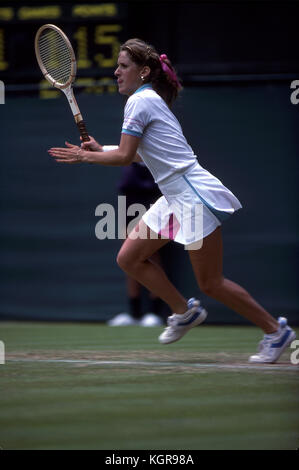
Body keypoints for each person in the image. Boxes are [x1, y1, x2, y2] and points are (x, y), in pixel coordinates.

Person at [49, 38, 296, 363]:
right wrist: (101, 150)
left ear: (144, 71)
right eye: (117, 66)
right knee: (129, 258)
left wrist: (85, 156)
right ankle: (184, 311)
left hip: (191, 195)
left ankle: (276, 332)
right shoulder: (145, 100)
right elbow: (137, 155)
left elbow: (125, 157)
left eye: (124, 66)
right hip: (173, 197)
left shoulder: (140, 102)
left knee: (211, 283)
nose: (116, 72)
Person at [108, 162, 165, 327]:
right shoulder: (129, 152)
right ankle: (134, 313)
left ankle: (155, 313)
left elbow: (124, 153)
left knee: (152, 256)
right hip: (129, 201)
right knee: (129, 258)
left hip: (152, 200)